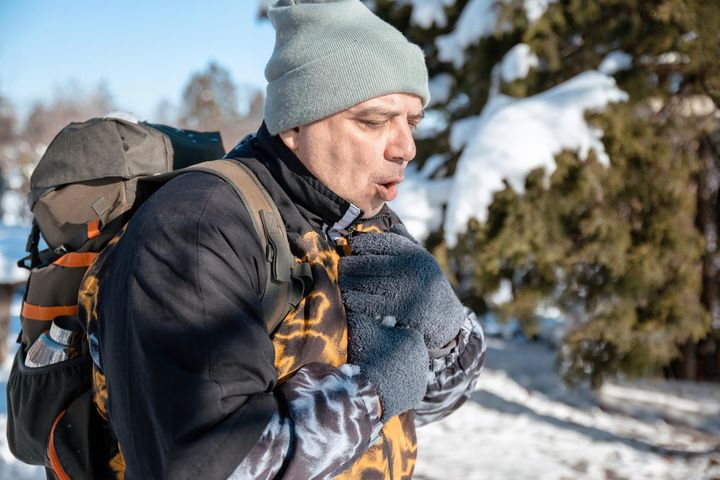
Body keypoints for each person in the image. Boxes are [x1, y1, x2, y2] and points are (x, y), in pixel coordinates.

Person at [85, 1, 486, 478]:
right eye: (375, 121)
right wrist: (370, 395)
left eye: (411, 121)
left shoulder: (366, 219)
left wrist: (445, 336)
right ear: (295, 123)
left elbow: (432, 402)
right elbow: (204, 462)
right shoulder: (196, 229)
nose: (406, 148)